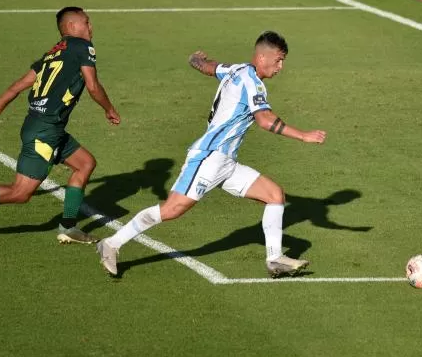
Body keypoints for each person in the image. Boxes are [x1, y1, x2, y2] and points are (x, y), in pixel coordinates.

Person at [96, 31, 326, 278]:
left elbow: (209, 67)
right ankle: (111, 243)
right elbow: (265, 120)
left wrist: (194, 59)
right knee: (172, 209)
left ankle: (274, 258)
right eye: (278, 60)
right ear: (261, 57)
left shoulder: (237, 69)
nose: (281, 66)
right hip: (208, 157)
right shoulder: (253, 83)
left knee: (274, 195)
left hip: (226, 162)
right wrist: (303, 135)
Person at [0, 7, 120, 243]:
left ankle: (68, 227)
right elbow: (92, 85)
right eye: (87, 22)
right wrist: (109, 109)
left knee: (85, 163)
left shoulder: (52, 54)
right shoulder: (83, 47)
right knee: (20, 193)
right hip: (46, 131)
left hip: (42, 125)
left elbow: (19, 84)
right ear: (72, 27)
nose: (91, 27)